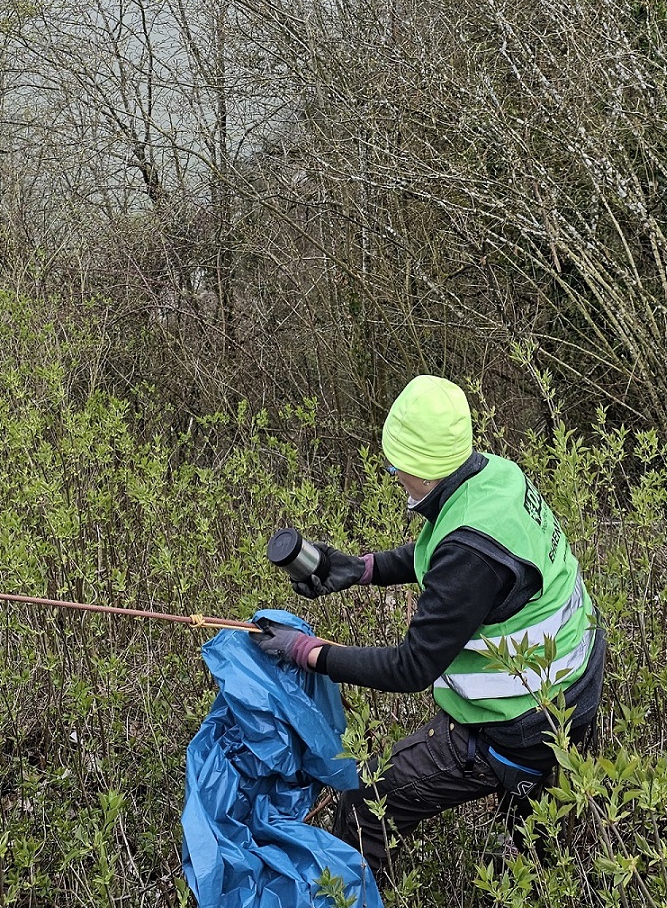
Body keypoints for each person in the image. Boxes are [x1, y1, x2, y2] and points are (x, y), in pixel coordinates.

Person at [251, 374, 606, 878]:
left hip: (524, 722)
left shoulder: (470, 554)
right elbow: (446, 557)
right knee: (531, 844)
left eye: (398, 467)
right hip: (576, 678)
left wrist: (309, 652)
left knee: (364, 805)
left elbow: (412, 665)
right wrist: (363, 568)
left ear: (425, 470)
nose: (394, 476)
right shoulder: (493, 476)